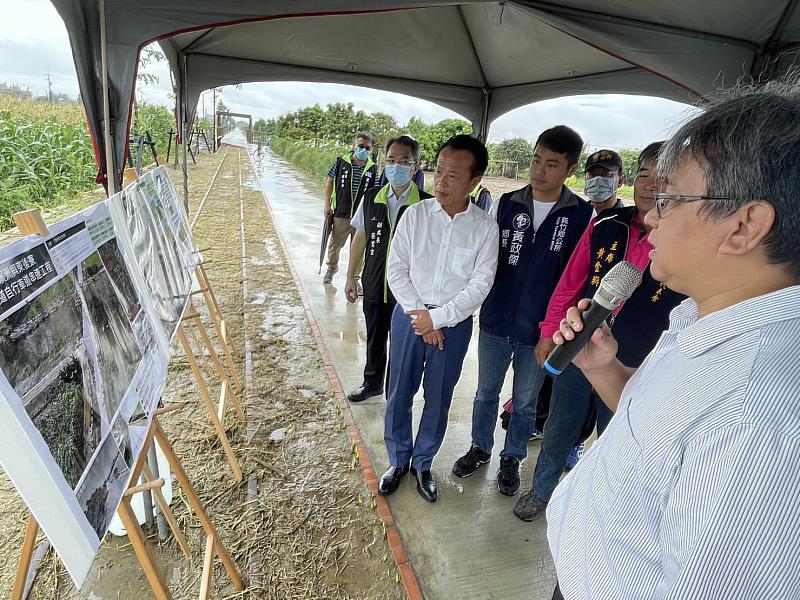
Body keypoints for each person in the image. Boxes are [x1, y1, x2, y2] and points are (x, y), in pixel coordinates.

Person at [547, 81, 800, 599]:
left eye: (670, 198)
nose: (652, 216)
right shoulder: (704, 319)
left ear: (744, 225)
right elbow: (656, 431)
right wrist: (603, 368)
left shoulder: (755, 419)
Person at [513, 141, 685, 522]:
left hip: (638, 362)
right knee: (560, 423)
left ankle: (602, 508)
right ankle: (542, 490)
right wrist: (548, 330)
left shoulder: (683, 245)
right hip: (582, 346)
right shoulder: (606, 226)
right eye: (643, 175)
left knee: (616, 437)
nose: (648, 186)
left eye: (661, 180)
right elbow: (570, 283)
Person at [451, 125, 592, 497]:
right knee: (485, 393)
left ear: (569, 170)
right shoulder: (508, 203)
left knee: (526, 402)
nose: (539, 170)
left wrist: (556, 327)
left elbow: (575, 277)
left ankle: (511, 457)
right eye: (535, 159)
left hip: (541, 332)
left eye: (551, 164)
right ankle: (481, 447)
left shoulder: (581, 215)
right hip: (497, 321)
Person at [378, 134, 498, 503]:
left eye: (453, 175)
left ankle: (423, 463)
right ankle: (398, 461)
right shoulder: (415, 216)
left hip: (454, 326)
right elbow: (396, 270)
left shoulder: (484, 227)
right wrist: (422, 318)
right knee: (399, 392)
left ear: (475, 180)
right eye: (438, 171)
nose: (441, 182)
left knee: (439, 397)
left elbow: (481, 284)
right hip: (409, 318)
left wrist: (440, 319)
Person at [344, 135, 432, 403]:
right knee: (374, 336)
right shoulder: (372, 198)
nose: (396, 167)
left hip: (408, 291)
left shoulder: (425, 205)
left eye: (404, 161)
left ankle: (395, 389)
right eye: (391, 161)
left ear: (415, 167)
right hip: (373, 282)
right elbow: (360, 237)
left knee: (401, 343)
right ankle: (372, 383)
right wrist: (350, 276)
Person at [323, 132, 378, 284]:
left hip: (361, 217)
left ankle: (355, 278)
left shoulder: (373, 168)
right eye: (361, 146)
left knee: (359, 250)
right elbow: (329, 182)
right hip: (341, 213)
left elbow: (376, 193)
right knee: (335, 244)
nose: (364, 150)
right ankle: (332, 268)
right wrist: (327, 204)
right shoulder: (341, 161)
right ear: (354, 146)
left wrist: (372, 215)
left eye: (367, 148)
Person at [582, 149, 625, 215]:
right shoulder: (575, 214)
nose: (597, 180)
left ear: (620, 181)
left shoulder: (626, 221)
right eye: (592, 174)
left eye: (607, 174)